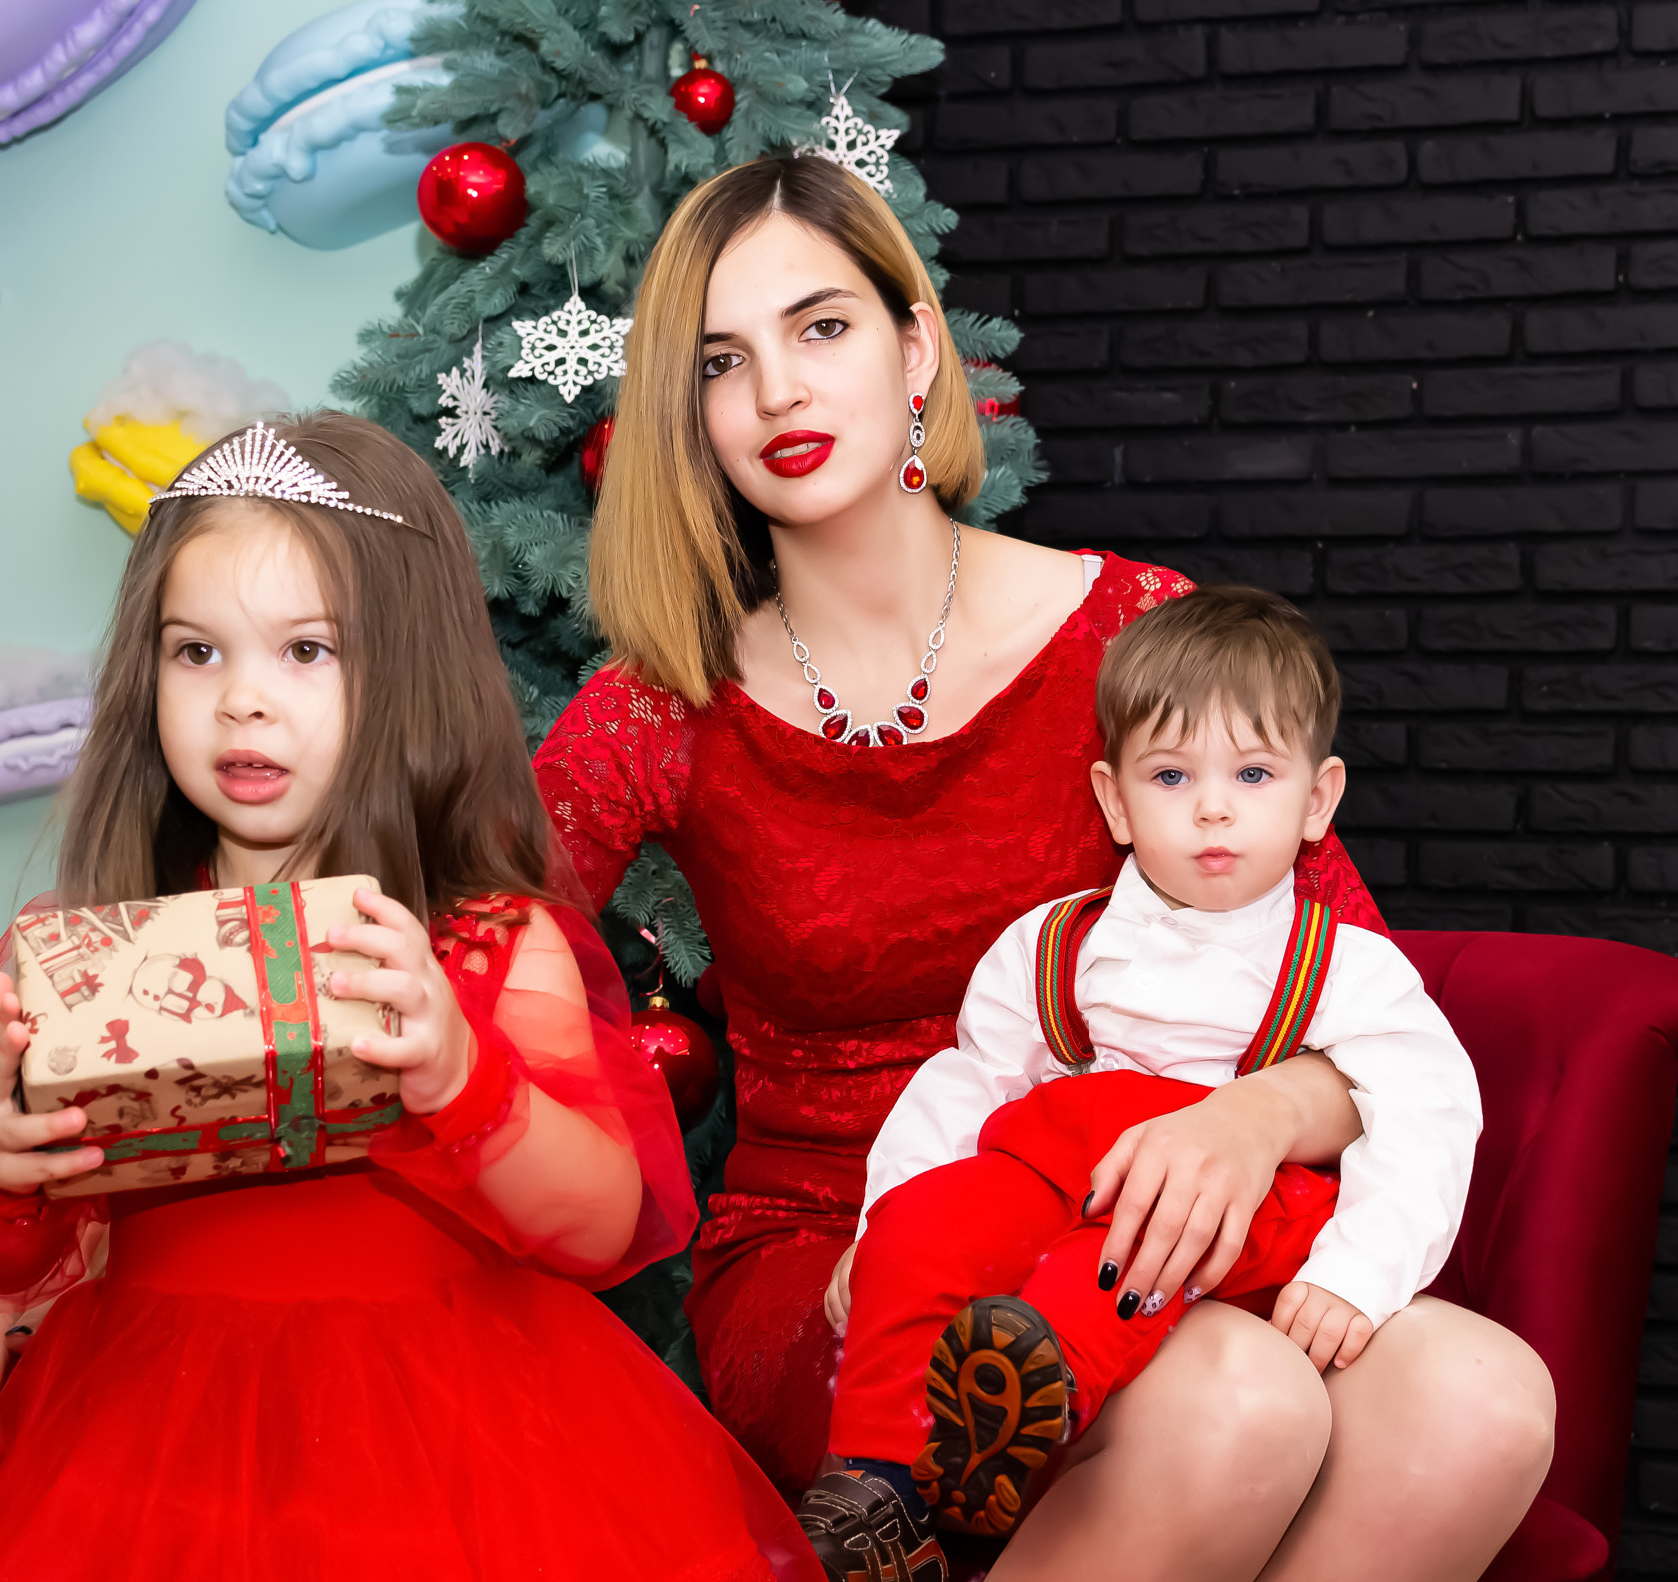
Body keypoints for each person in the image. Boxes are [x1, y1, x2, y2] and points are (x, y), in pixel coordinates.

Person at [534, 153, 1554, 1580]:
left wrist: (1247, 1123)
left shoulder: (1136, 635)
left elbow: (1343, 996)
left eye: (821, 327)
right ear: (688, 414)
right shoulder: (661, 706)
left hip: (1153, 1200)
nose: (777, 391)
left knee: (1483, 1401)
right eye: (722, 360)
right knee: (1239, 1399)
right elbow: (475, 940)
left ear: (915, 345)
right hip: (844, 1248)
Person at [0, 413, 819, 1581]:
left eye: (306, 650)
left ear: (407, 670)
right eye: (197, 652)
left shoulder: (488, 948)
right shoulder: (87, 961)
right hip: (148, 1454)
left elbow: (605, 1226)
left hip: (455, 1455)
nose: (243, 701)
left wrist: (462, 1077)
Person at [803, 587, 1482, 1578]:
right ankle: (872, 1485)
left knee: (1124, 1242)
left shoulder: (1341, 967)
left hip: (1241, 1208)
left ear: (1316, 798)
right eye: (1170, 775)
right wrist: (881, 1223)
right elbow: (966, 1087)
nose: (1212, 806)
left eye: (1251, 772)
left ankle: (1030, 1402)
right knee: (930, 1222)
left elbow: (1426, 1114)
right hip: (1064, 1172)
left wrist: (1356, 1273)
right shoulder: (1050, 946)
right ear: (1114, 800)